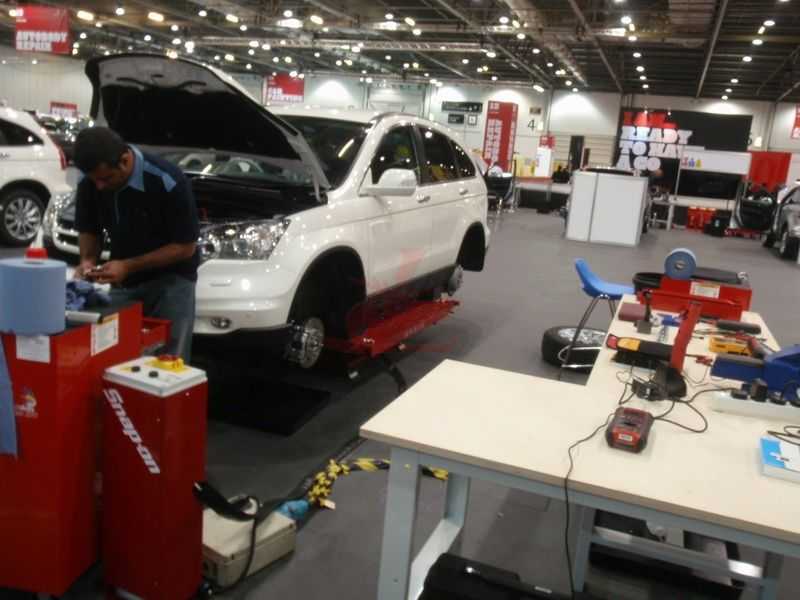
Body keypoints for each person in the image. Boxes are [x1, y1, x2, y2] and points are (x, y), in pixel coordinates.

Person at [73, 127, 199, 362]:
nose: (99, 186)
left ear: (124, 161)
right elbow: (89, 228)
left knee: (169, 360)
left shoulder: (167, 180)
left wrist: (127, 266)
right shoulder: (90, 182)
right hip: (124, 281)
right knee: (114, 354)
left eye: (106, 179)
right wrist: (87, 261)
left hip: (172, 281)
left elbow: (185, 247)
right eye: (94, 180)